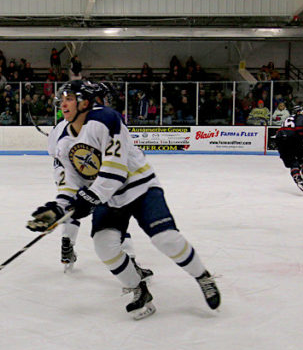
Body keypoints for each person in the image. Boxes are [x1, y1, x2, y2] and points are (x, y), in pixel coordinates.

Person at [26, 79, 220, 320]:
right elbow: (70, 181)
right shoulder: (63, 140)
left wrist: (89, 198)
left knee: (165, 239)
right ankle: (139, 288)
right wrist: (59, 207)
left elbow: (115, 170)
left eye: (69, 98)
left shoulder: (105, 119)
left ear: (84, 102)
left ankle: (203, 276)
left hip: (139, 188)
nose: (63, 103)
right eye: (62, 99)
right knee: (104, 246)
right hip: (107, 197)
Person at [47, 81, 152, 277]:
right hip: (98, 179)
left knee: (71, 209)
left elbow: (56, 156)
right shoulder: (104, 121)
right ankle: (131, 263)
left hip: (67, 177)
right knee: (115, 218)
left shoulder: (60, 128)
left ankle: (67, 243)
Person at [274, 105, 303, 192]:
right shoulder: (300, 117)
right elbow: (300, 129)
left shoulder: (288, 118)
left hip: (280, 139)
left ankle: (297, 178)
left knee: (292, 162)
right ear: (300, 112)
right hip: (292, 138)